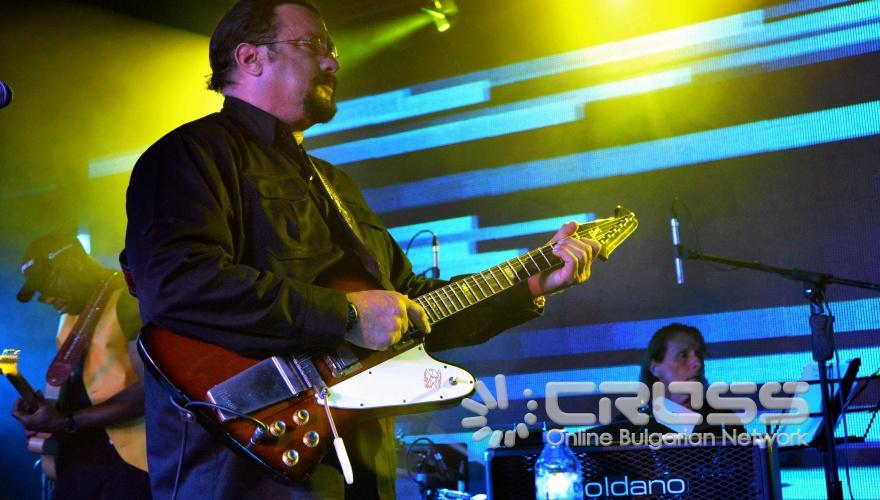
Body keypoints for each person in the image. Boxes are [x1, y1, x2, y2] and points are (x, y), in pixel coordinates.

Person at [123, 0, 600, 498]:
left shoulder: (335, 184)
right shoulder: (189, 155)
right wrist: (345, 315)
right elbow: (180, 284)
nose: (332, 62)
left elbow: (408, 306)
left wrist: (527, 284)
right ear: (250, 58)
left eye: (331, 50)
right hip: (244, 463)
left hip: (360, 460)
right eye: (313, 45)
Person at [11, 234, 150, 500]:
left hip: (131, 461)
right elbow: (79, 385)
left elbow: (151, 391)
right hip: (80, 457)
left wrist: (65, 421)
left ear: (75, 263)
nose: (46, 299)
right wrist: (43, 411)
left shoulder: (128, 299)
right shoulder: (67, 317)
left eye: (48, 284)